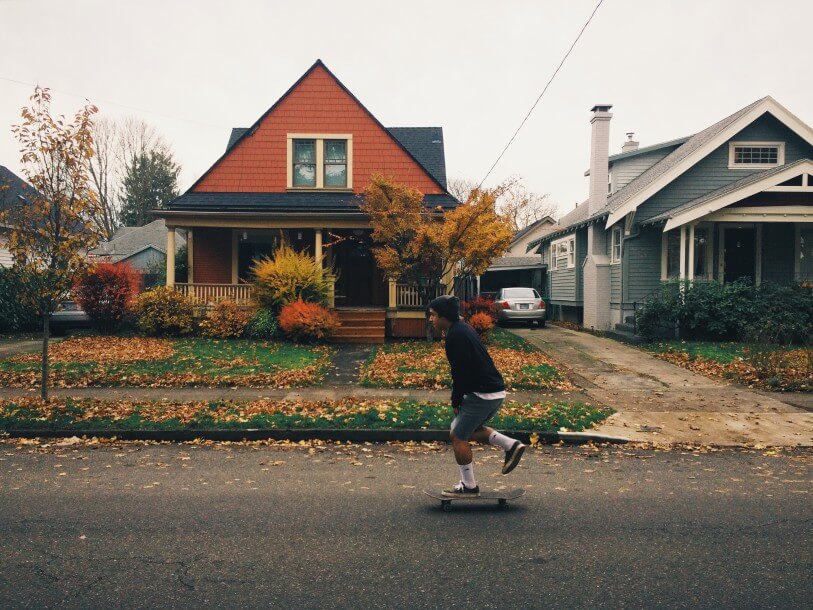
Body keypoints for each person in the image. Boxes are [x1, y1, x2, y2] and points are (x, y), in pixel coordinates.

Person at [428, 294, 526, 497]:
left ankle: (469, 487)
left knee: (458, 436)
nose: (431, 319)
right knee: (464, 429)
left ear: (444, 316)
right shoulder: (461, 328)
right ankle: (510, 445)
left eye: (433, 315)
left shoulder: (456, 335)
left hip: (483, 393)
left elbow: (460, 372)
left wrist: (456, 400)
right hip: (491, 390)